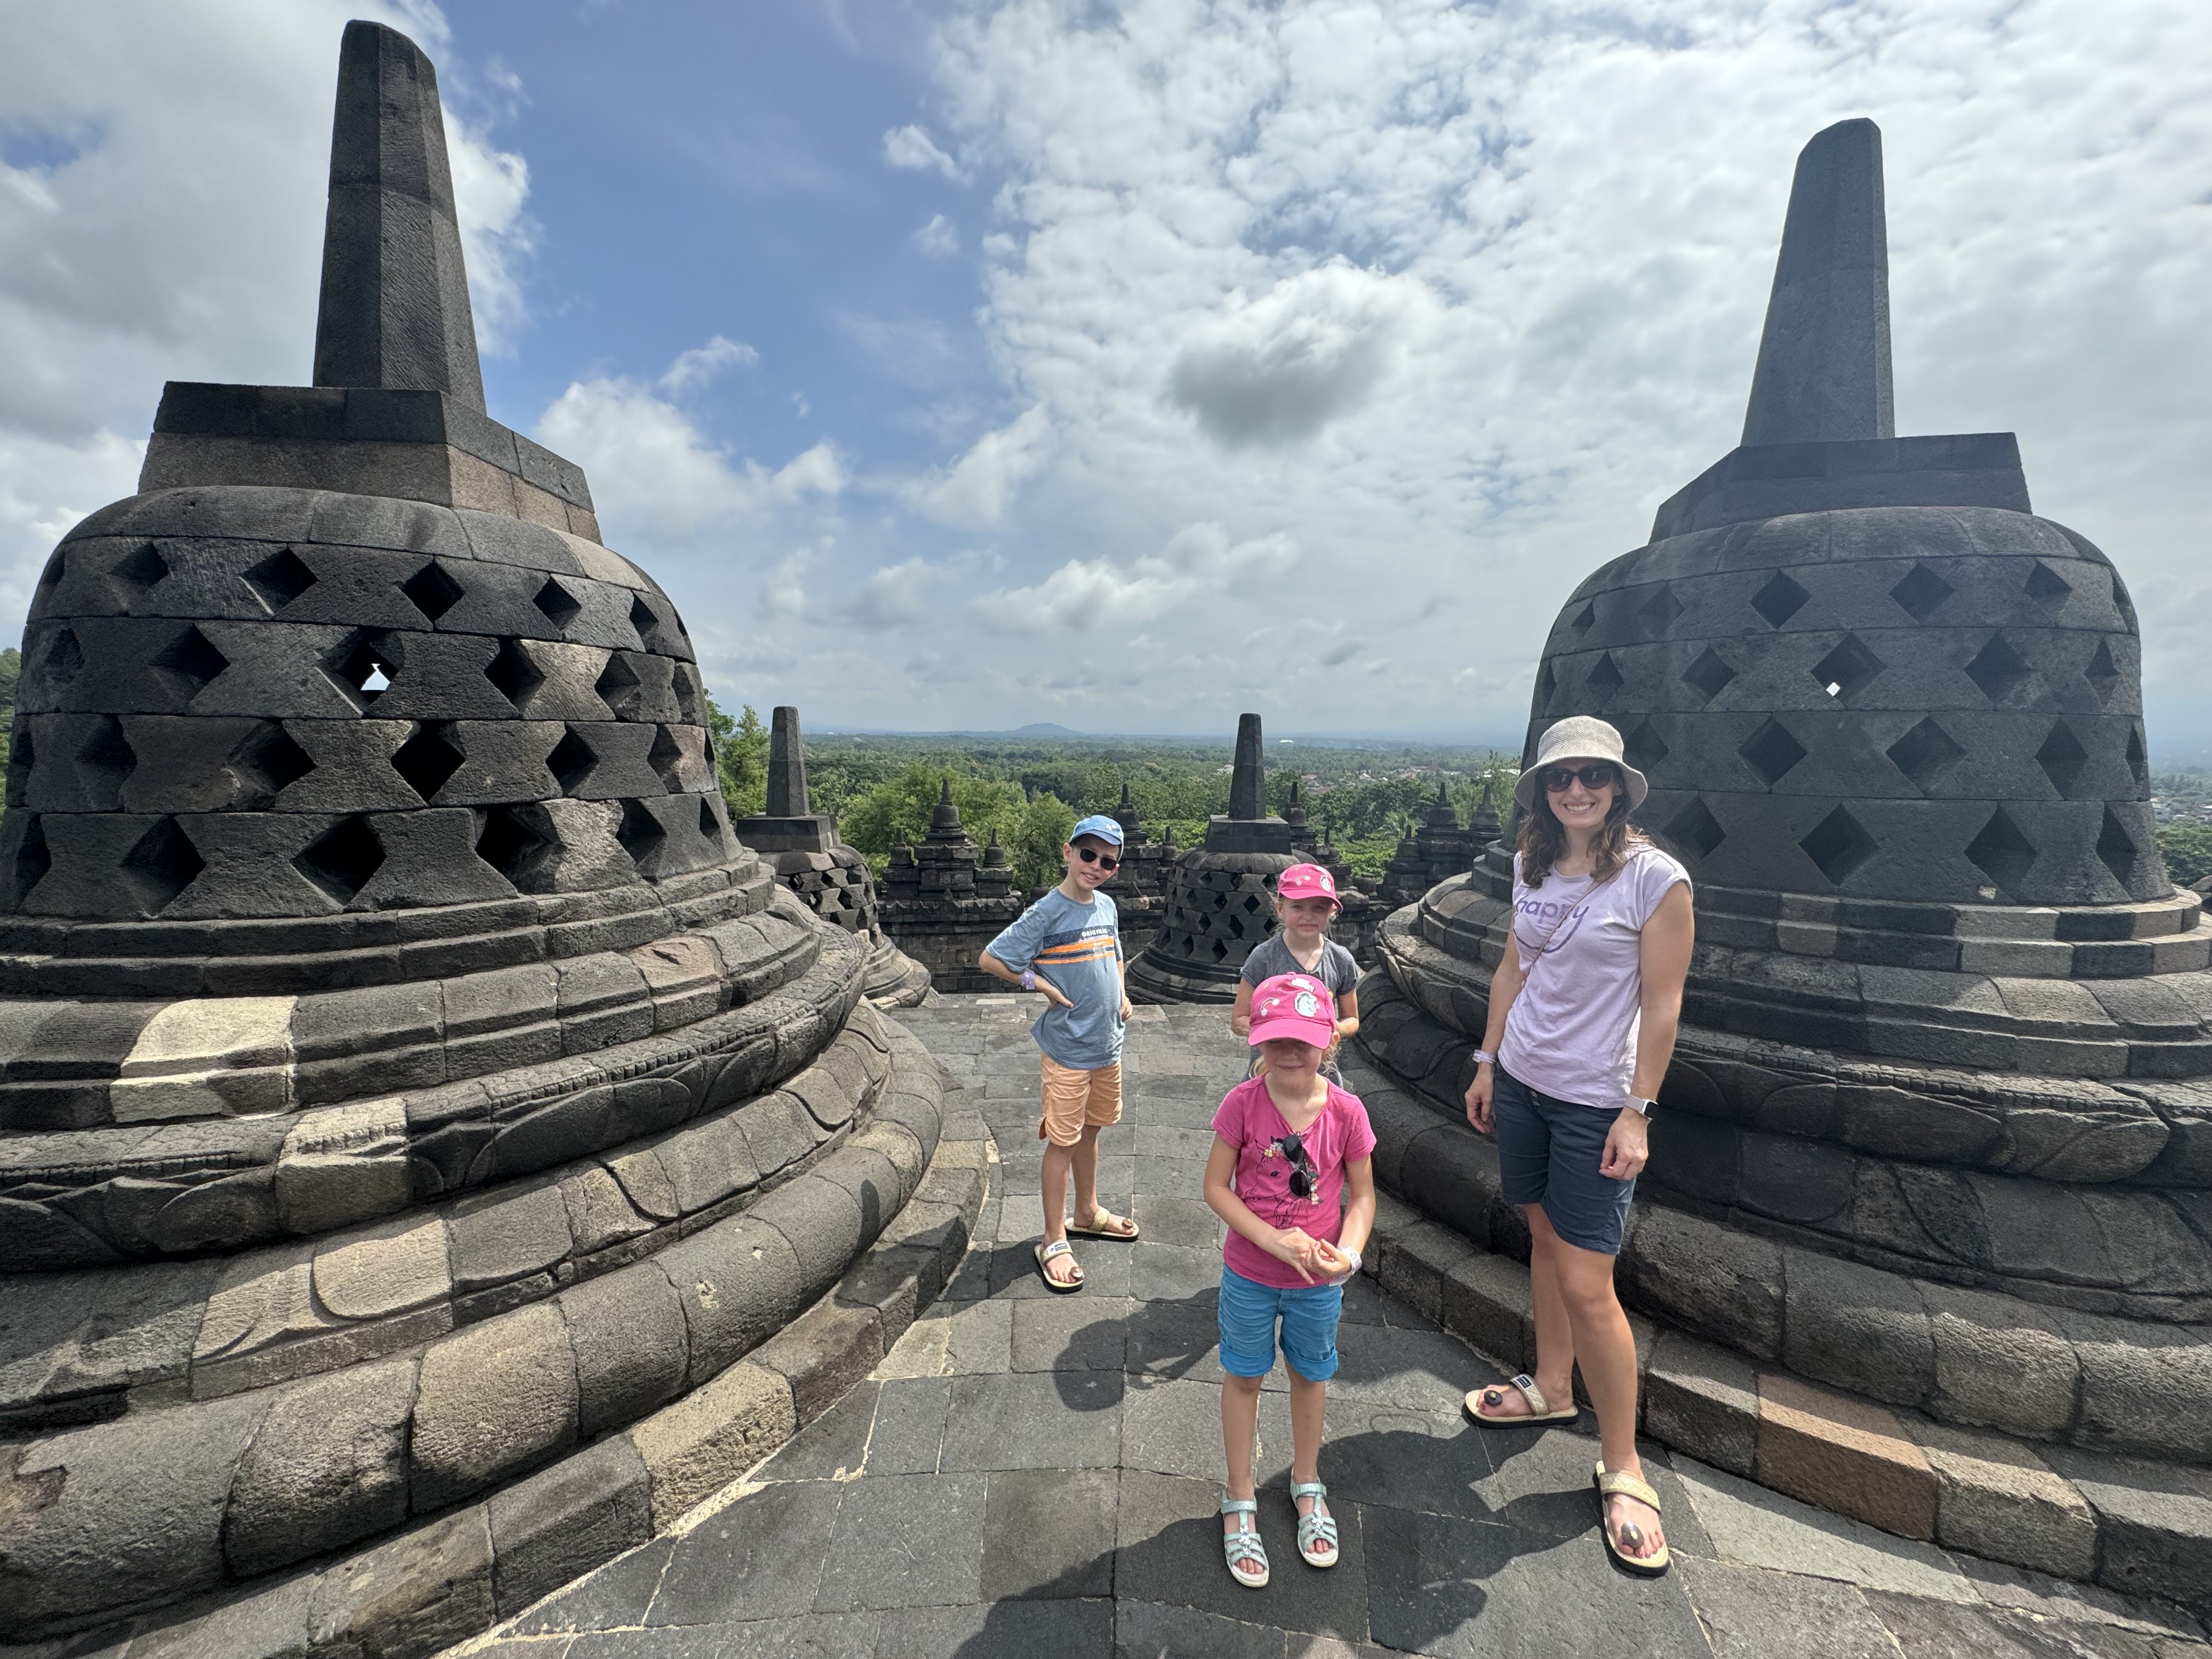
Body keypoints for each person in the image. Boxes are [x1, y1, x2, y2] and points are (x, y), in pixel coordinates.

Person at [1460, 715, 1692, 1578]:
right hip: (1522, 1079)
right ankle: (1552, 1389)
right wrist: (1487, 1060)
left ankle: (1625, 1464)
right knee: (1546, 1242)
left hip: (1597, 1100)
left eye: (1594, 776)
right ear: (1544, 793)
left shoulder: (1655, 881)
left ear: (1619, 787)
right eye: (1562, 779)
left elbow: (1663, 1005)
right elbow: (1514, 969)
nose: (1577, 790)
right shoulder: (1532, 865)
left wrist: (1639, 1110)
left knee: (1591, 1284)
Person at [1204, 973, 1376, 1589]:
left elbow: (1361, 1199)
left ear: (1329, 1040)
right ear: (1257, 1040)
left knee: (1311, 1374)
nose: (1290, 1053)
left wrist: (1349, 1256)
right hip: (1250, 1272)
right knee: (1245, 1376)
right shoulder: (1241, 1104)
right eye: (1276, 1040)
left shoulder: (1347, 1112)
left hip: (1316, 1282)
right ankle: (1240, 1495)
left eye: (1303, 1041)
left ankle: (1308, 1482)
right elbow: (1215, 1188)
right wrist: (1272, 1239)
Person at [979, 812, 1139, 1292]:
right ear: (1068, 853)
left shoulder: (1106, 906)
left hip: (1106, 1043)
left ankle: (1086, 1212)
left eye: (1107, 861)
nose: (1095, 865)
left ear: (1114, 869)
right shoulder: (1047, 912)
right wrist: (1039, 983)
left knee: (1093, 1130)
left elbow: (1115, 954)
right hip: (1068, 1049)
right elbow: (993, 958)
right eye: (1087, 854)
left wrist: (1122, 993)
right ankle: (1052, 1238)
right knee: (1063, 1141)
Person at [1230, 864, 1360, 1076]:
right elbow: (1238, 1020)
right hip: (1270, 1067)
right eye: (1298, 907)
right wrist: (1276, 1031)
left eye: (1318, 908)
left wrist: (1330, 1027)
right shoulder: (1264, 957)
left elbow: (1352, 1020)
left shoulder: (1341, 960)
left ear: (1332, 912)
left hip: (1320, 1069)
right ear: (1280, 909)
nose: (1308, 916)